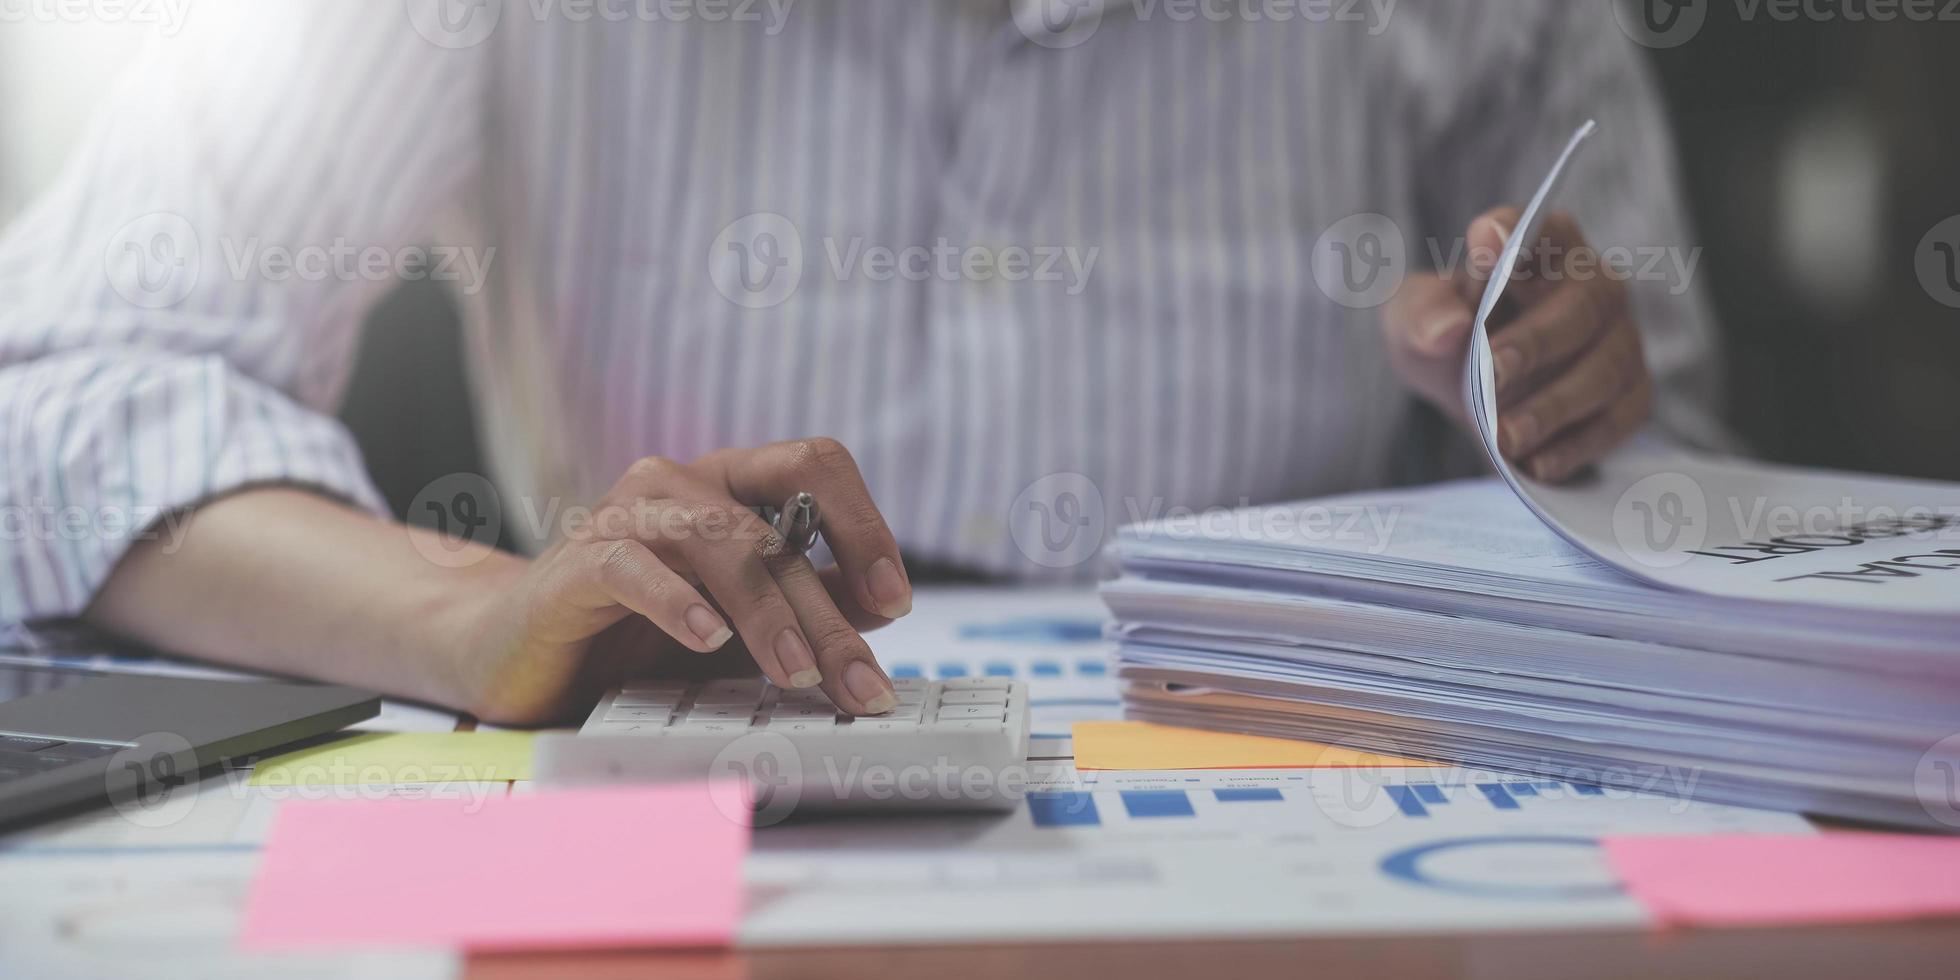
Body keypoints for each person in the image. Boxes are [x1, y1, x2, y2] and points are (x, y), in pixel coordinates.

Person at [0, 1, 1724, 724]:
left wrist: (1534, 425)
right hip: (657, 826)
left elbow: (1692, 495)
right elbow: (59, 391)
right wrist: (472, 613)